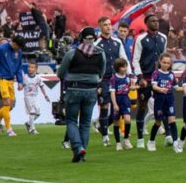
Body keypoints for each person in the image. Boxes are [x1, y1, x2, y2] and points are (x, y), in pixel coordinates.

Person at [57, 27, 105, 163]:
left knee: (71, 121)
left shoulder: (73, 53)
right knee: (85, 123)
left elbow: (60, 73)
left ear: (81, 38)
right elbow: (102, 72)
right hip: (91, 90)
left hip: (74, 89)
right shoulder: (100, 53)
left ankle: (77, 148)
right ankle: (82, 152)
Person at [131, 13, 167, 148]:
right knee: (142, 106)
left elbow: (165, 58)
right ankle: (140, 138)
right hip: (145, 77)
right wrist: (140, 77)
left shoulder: (163, 38)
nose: (156, 23)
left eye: (157, 21)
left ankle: (168, 136)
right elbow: (135, 59)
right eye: (153, 21)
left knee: (163, 105)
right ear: (146, 23)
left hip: (159, 77)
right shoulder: (140, 39)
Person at [94, 17, 128, 147]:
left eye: (110, 24)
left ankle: (101, 125)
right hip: (103, 79)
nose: (109, 27)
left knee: (117, 108)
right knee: (105, 106)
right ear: (100, 27)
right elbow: (94, 65)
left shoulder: (117, 42)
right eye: (105, 25)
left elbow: (124, 59)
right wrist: (97, 83)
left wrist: (129, 75)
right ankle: (105, 136)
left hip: (117, 79)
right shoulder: (96, 44)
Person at [147, 52, 177, 152]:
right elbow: (154, 86)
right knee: (158, 122)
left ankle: (176, 143)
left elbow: (176, 87)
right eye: (164, 62)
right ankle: (151, 141)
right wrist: (160, 89)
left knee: (172, 121)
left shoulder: (172, 74)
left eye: (168, 63)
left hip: (169, 100)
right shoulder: (156, 73)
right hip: (159, 100)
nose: (166, 65)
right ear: (160, 62)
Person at [109, 58, 134, 150]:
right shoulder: (114, 78)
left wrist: (134, 87)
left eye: (126, 66)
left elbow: (130, 87)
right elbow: (112, 92)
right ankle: (118, 143)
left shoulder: (128, 77)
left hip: (125, 100)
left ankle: (126, 139)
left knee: (127, 120)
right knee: (116, 122)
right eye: (123, 67)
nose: (125, 68)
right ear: (118, 68)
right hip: (117, 100)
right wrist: (115, 104)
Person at [22, 60, 49, 135]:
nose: (30, 68)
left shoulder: (38, 78)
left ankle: (28, 123)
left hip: (35, 97)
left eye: (32, 67)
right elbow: (21, 86)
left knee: (38, 113)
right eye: (29, 67)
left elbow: (42, 87)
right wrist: (20, 86)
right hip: (28, 97)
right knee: (32, 112)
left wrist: (45, 96)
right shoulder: (25, 77)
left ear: (36, 69)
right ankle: (32, 129)